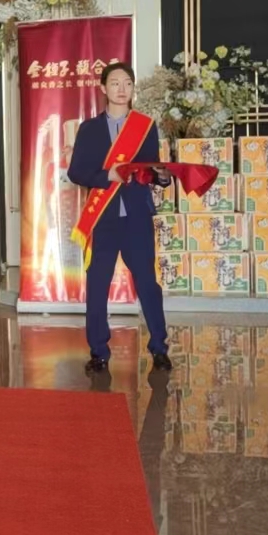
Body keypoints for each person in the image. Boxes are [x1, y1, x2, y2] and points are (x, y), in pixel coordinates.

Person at [66, 62, 172, 375]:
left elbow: (149, 171)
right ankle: (98, 352)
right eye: (115, 83)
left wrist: (162, 177)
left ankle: (159, 348)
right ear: (103, 88)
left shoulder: (145, 126)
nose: (122, 89)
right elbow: (76, 172)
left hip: (137, 217)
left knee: (148, 284)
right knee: (97, 284)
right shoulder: (89, 129)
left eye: (127, 83)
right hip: (104, 219)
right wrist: (106, 176)